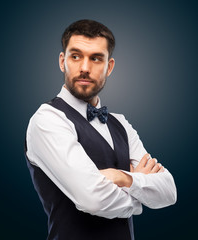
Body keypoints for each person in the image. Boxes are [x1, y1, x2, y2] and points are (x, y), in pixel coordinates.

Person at [25, 19, 177, 240]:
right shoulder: (47, 119)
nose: (85, 68)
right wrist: (140, 196)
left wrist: (121, 177)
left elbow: (169, 190)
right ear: (62, 61)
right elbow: (92, 199)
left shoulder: (121, 123)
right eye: (75, 56)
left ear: (109, 67)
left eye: (96, 58)